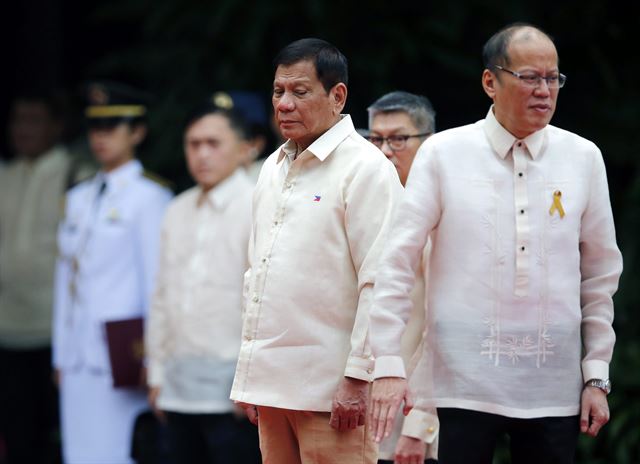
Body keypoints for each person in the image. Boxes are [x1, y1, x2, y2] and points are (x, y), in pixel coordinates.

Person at [369, 23, 623, 464]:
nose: (544, 90)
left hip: (554, 385)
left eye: (552, 78)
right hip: (461, 382)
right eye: (529, 77)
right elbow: (397, 260)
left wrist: (596, 376)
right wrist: (388, 364)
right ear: (490, 81)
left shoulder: (583, 157)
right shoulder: (444, 153)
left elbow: (601, 274)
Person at [230, 38, 402, 464]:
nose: (284, 104)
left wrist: (359, 376)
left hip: (333, 391)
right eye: (278, 91)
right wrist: (250, 377)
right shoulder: (272, 166)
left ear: (337, 96)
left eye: (300, 92)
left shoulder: (366, 167)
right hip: (272, 386)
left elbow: (381, 280)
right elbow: (258, 275)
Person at [53, 81, 173, 464]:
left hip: (122, 351)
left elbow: (155, 282)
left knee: (117, 453)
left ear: (136, 132)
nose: (101, 137)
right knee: (79, 454)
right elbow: (64, 282)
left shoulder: (149, 197)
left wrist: (153, 359)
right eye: (95, 127)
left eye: (113, 127)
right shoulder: (78, 198)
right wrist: (60, 352)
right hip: (77, 353)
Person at [145, 98, 258, 464]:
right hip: (177, 385)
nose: (202, 155)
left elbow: (266, 302)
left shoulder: (259, 204)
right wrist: (156, 372)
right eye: (194, 144)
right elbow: (161, 295)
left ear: (244, 150)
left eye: (213, 144)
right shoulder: (177, 208)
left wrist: (253, 383)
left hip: (234, 393)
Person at [0, 90, 94, 464]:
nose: (24, 129)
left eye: (34, 120)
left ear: (57, 126)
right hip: (6, 327)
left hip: (57, 332)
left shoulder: (78, 175)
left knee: (60, 437)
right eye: (18, 120)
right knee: (17, 434)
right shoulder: (4, 176)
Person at [367, 91, 438, 464]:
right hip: (354, 416)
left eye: (398, 139)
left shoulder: (439, 219)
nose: (384, 151)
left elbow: (439, 329)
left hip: (410, 421)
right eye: (375, 139)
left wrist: (421, 424)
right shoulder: (364, 209)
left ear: (428, 143)